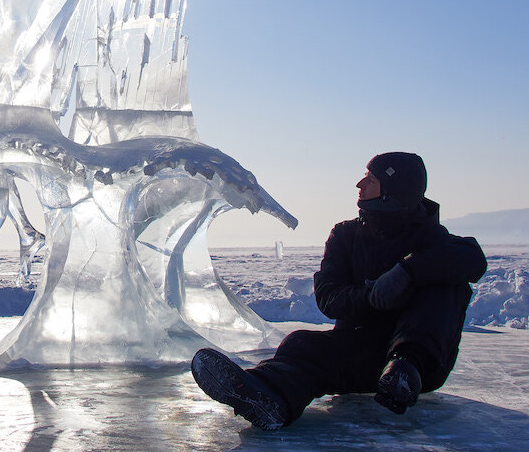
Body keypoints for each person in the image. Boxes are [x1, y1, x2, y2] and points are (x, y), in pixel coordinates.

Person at [190, 151, 487, 430]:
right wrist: (372, 296)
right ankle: (268, 396)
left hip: (421, 367)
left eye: (371, 179)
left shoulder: (430, 237)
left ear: (392, 189)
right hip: (365, 352)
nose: (359, 184)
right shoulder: (346, 235)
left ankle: (403, 366)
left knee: (447, 282)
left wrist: (407, 273)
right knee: (301, 345)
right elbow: (329, 297)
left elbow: (473, 259)